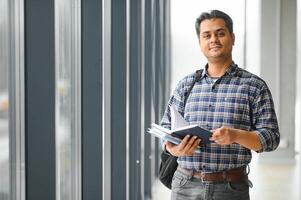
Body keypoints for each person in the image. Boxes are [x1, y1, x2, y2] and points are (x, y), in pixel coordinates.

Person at [160, 10, 280, 200]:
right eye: (206, 35)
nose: (213, 39)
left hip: (230, 188)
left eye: (220, 33)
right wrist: (173, 148)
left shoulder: (254, 86)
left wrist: (236, 135)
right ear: (200, 43)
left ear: (232, 38)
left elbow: (271, 138)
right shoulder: (186, 84)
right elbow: (166, 127)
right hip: (184, 186)